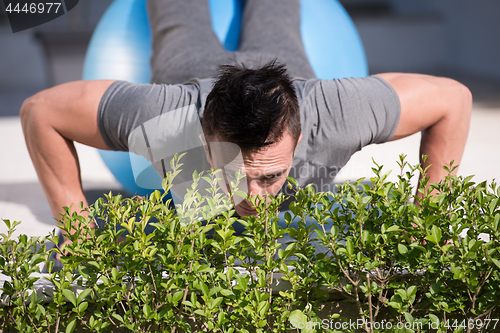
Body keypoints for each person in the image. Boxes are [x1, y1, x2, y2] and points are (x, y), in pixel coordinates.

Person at [20, 0, 471, 228]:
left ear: (298, 136)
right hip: (192, 67)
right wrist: (76, 232)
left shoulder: (338, 112)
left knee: (277, 10)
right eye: (231, 174)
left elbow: (453, 99)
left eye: (270, 177)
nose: (252, 197)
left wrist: (426, 224)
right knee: (178, 15)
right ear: (205, 140)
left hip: (281, 64)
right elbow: (40, 112)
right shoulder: (164, 116)